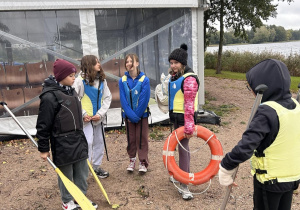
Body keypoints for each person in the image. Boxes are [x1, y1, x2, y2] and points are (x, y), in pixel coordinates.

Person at [218, 59, 300, 210]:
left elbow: (247, 145)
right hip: (291, 178)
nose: (250, 91)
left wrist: (226, 166)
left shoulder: (267, 111)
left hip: (270, 181)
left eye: (250, 87)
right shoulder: (296, 107)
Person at [36, 59, 97, 210]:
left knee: (82, 172)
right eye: (70, 75)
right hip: (62, 143)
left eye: (74, 75)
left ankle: (80, 198)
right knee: (66, 174)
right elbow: (43, 124)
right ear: (61, 76)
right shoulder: (49, 97)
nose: (74, 78)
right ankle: (67, 201)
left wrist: (82, 115)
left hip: (78, 139)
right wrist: (43, 148)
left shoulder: (71, 90)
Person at [167, 43, 199, 200]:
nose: (173, 66)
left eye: (176, 63)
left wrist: (189, 126)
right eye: (171, 63)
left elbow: (189, 104)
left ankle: (184, 184)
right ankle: (177, 174)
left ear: (183, 63)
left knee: (184, 150)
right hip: (176, 118)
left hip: (185, 120)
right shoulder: (176, 76)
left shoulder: (190, 79)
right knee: (175, 148)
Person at [73, 55, 112, 179]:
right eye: (96, 63)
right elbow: (75, 99)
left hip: (98, 119)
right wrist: (83, 114)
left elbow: (107, 98)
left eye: (99, 62)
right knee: (87, 143)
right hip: (85, 121)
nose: (99, 64)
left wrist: (100, 114)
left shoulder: (102, 80)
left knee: (99, 142)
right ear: (89, 65)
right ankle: (84, 170)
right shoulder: (79, 81)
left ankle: (95, 168)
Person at [119, 53, 150, 173]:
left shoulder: (144, 80)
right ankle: (132, 160)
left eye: (131, 61)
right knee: (131, 138)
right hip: (128, 116)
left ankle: (143, 162)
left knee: (141, 138)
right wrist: (130, 115)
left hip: (142, 116)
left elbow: (144, 99)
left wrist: (136, 116)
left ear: (137, 63)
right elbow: (123, 99)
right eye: (127, 61)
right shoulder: (122, 80)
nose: (129, 63)